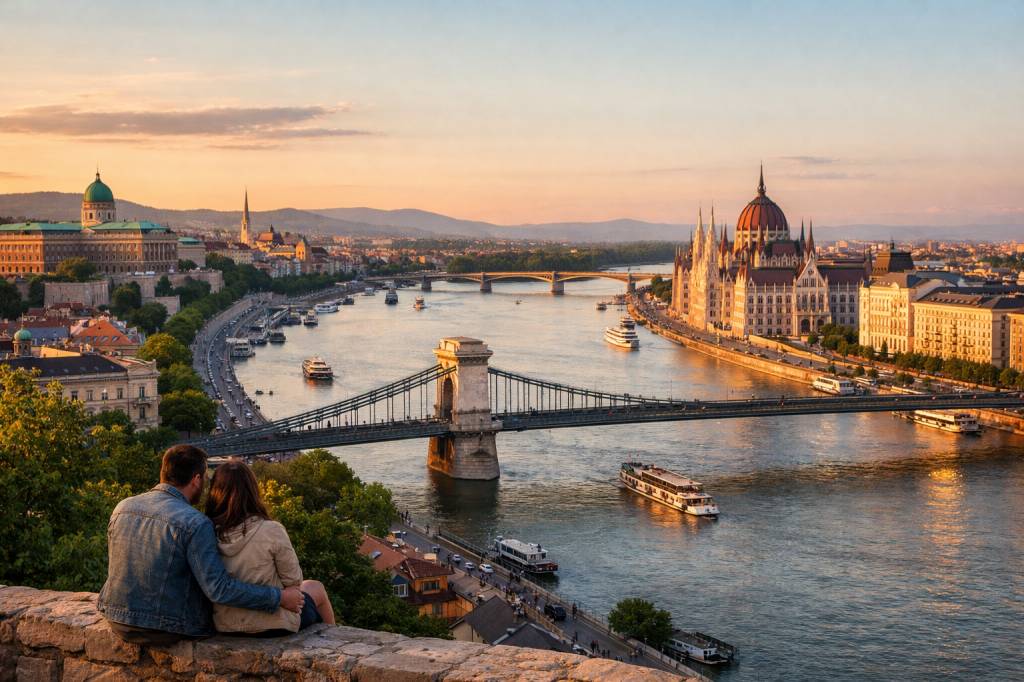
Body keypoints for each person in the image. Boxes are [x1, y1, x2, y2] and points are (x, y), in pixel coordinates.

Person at [98, 445, 306, 645]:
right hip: (164, 627)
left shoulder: (122, 507)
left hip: (116, 619)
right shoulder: (194, 523)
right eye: (205, 478)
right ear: (196, 480)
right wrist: (278, 597)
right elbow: (218, 589)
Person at [205, 459, 335, 634]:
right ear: (252, 491)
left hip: (226, 625)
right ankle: (333, 637)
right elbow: (294, 583)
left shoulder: (206, 532)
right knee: (314, 587)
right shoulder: (271, 530)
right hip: (273, 625)